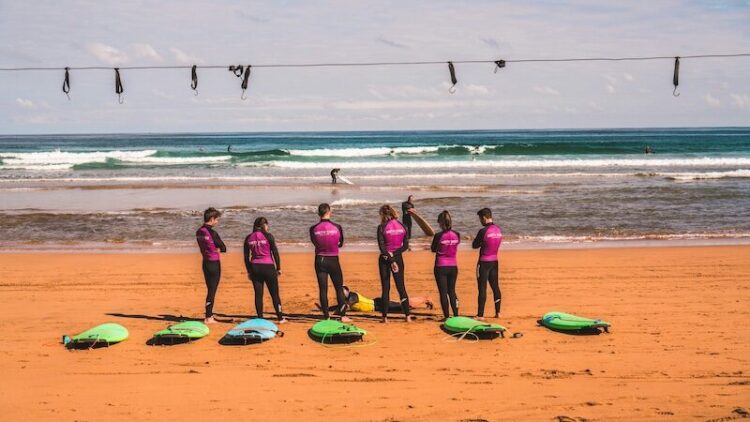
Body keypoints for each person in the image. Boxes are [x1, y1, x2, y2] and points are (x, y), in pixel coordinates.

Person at [310, 203, 351, 322]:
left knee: (323, 289)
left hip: (320, 259)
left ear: (318, 213)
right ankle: (342, 316)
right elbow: (341, 243)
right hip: (333, 259)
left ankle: (326, 317)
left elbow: (315, 243)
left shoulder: (313, 228)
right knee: (338, 288)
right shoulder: (337, 226)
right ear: (330, 212)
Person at [244, 217, 286, 323]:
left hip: (255, 268)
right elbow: (275, 253)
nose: (268, 227)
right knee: (274, 294)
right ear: (264, 225)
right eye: (267, 225)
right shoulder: (269, 236)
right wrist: (279, 268)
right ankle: (280, 318)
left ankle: (260, 318)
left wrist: (249, 271)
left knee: (258, 294)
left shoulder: (248, 237)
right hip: (268, 268)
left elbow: (246, 257)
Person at [377, 204, 412, 323]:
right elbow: (406, 246)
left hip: (385, 260)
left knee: (386, 288)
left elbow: (382, 248)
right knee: (401, 287)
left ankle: (385, 317)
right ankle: (408, 316)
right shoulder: (403, 226)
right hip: (398, 259)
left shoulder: (381, 227)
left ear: (383, 214)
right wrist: (395, 255)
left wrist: (390, 258)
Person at [195, 207, 227, 324]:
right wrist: (218, 249)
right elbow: (223, 248)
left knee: (210, 289)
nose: (217, 222)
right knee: (212, 290)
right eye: (217, 219)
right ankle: (208, 317)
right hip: (214, 264)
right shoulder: (213, 233)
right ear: (212, 219)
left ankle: (209, 314)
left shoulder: (199, 232)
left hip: (205, 263)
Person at [471, 207, 503, 320]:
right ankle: (498, 312)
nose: (480, 221)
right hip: (495, 261)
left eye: (480, 219)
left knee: (482, 288)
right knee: (495, 287)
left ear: (484, 218)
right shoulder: (498, 230)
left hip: (483, 263)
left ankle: (480, 315)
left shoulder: (483, 231)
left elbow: (474, 245)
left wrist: (474, 239)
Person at [431, 210, 460, 320]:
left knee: (443, 292)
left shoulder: (438, 235)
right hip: (453, 266)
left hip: (440, 266)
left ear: (441, 223)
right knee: (452, 291)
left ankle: (447, 316)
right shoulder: (457, 234)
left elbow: (433, 249)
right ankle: (456, 315)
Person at [318, 286, 433, 313]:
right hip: (377, 306)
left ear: (347, 290)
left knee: (403, 307)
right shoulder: (346, 299)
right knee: (401, 307)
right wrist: (325, 309)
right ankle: (423, 300)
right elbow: (339, 306)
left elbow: (345, 307)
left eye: (342, 291)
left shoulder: (353, 296)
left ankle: (424, 299)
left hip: (379, 304)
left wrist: (337, 311)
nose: (341, 294)